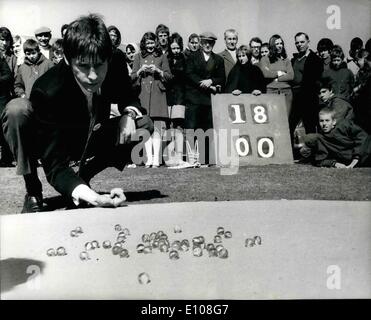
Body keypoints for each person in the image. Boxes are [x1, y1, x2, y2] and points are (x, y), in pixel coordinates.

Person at [1, 14, 153, 213]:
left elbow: (128, 94)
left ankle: (83, 176)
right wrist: (94, 198)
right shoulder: (46, 90)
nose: (92, 75)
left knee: (145, 125)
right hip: (53, 141)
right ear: (67, 58)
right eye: (82, 66)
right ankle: (32, 190)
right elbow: (54, 165)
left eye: (99, 65)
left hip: (90, 138)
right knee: (16, 110)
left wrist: (129, 115)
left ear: (108, 56)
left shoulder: (115, 59)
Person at [131, 31, 171, 168]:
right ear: (144, 43)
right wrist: (139, 71)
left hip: (158, 96)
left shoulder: (162, 56)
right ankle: (149, 159)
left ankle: (156, 159)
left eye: (152, 43)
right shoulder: (137, 57)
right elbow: (131, 78)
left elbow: (169, 77)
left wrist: (158, 71)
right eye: (147, 43)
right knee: (146, 128)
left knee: (158, 129)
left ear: (156, 43)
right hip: (143, 96)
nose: (150, 46)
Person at [184, 32, 225, 164]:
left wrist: (211, 81)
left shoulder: (218, 59)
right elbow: (189, 74)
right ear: (201, 43)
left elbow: (222, 78)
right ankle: (191, 159)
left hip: (208, 101)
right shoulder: (192, 57)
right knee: (192, 128)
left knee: (207, 129)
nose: (208, 45)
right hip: (193, 99)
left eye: (211, 42)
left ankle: (204, 159)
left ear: (214, 44)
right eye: (205, 42)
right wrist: (205, 83)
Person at [302, 107, 371, 168]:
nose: (324, 124)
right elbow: (319, 160)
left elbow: (363, 137)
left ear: (334, 121)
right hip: (348, 162)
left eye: (327, 120)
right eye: (321, 121)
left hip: (365, 155)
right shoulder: (321, 138)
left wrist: (356, 158)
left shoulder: (344, 126)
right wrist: (334, 164)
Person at [289, 32, 323, 150]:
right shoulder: (294, 59)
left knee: (310, 126)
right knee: (290, 124)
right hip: (295, 96)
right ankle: (291, 153)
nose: (299, 45)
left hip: (308, 97)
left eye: (302, 42)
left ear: (308, 42)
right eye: (297, 43)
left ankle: (313, 153)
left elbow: (315, 81)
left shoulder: (315, 59)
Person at [165, 32, 189, 168]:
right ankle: (170, 157)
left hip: (180, 96)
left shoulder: (184, 59)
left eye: (177, 48)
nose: (176, 51)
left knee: (178, 125)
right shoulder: (166, 59)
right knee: (170, 127)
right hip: (168, 97)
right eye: (173, 48)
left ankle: (179, 156)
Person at [258, 34, 294, 115]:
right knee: (274, 119)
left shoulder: (286, 60)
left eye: (281, 43)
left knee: (285, 120)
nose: (280, 46)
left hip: (286, 92)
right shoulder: (265, 59)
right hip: (271, 91)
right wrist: (280, 73)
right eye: (277, 44)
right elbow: (266, 74)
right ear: (272, 45)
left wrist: (277, 78)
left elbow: (291, 76)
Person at [0, 56, 13, 167]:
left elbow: (8, 76)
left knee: (3, 126)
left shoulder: (1, 59)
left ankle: (6, 158)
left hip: (1, 98)